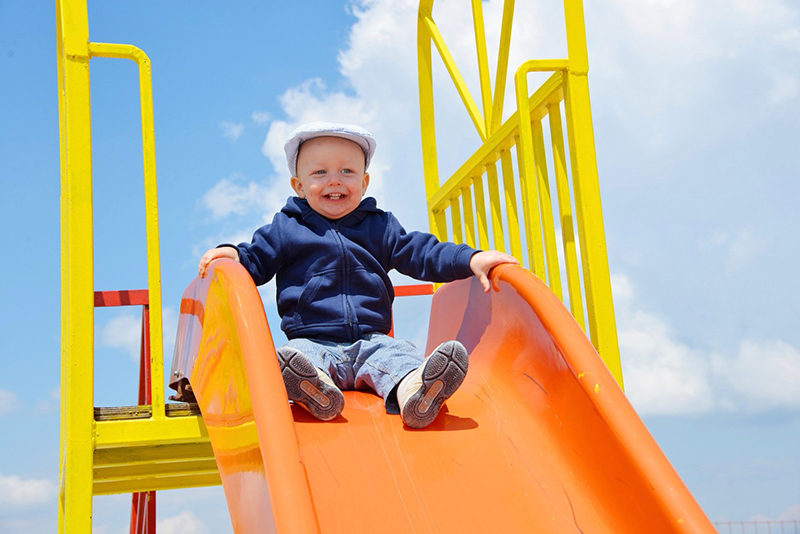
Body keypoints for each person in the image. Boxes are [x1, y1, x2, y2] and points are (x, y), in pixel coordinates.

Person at [198, 121, 517, 428]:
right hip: (312, 339)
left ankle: (418, 393)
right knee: (296, 357)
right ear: (298, 186)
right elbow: (255, 258)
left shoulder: (380, 228)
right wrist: (234, 254)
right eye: (319, 172)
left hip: (373, 341)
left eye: (346, 171)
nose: (334, 180)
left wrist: (470, 258)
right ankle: (312, 388)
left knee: (400, 358)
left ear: (364, 183)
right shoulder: (286, 229)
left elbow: (422, 252)